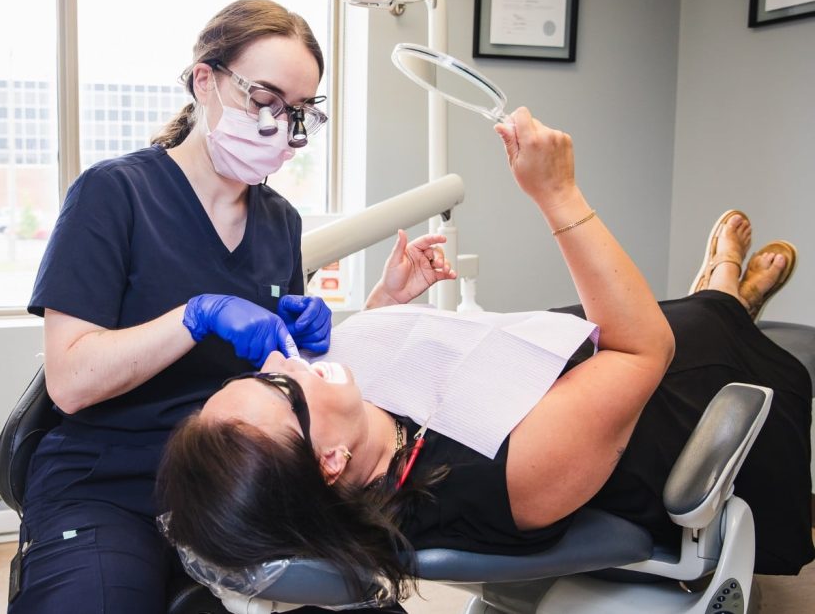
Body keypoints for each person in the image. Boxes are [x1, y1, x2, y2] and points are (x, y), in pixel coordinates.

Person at [156, 107, 812, 606]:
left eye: (267, 371)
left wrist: (392, 299)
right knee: (702, 324)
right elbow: (646, 348)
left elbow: (374, 385)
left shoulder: (360, 446)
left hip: (568, 355)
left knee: (678, 312)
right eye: (285, 389)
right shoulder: (508, 478)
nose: (291, 360)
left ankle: (723, 291)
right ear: (329, 461)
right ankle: (726, 287)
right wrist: (559, 196)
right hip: (663, 393)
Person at [10, 0, 455, 613]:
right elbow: (69, 381)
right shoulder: (114, 195)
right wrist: (196, 316)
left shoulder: (279, 222)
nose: (280, 125)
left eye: (298, 112)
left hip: (249, 487)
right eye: (263, 98)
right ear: (205, 79)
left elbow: (300, 382)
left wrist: (379, 307)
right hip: (110, 482)